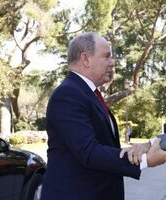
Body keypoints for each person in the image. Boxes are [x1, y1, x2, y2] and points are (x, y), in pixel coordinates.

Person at [40, 32, 166, 200]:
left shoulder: (87, 93)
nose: (113, 63)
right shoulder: (68, 94)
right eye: (106, 56)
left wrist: (147, 145)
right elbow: (88, 151)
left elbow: (105, 145)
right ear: (86, 59)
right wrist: (145, 160)